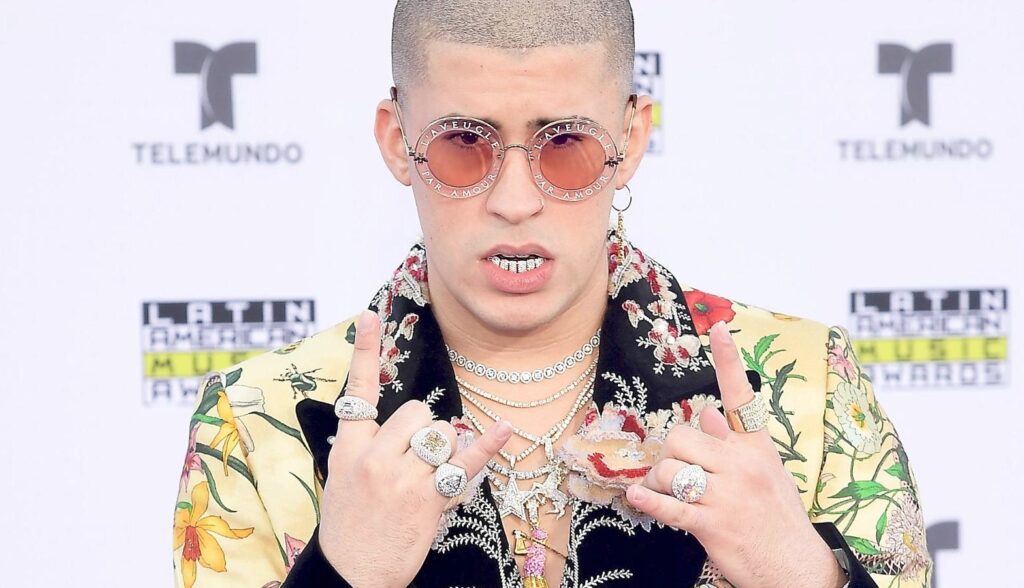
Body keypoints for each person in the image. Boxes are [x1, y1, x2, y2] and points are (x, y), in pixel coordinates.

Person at [172, 1, 931, 586]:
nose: (514, 200)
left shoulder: (804, 387)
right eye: (462, 143)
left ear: (629, 140)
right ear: (396, 140)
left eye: (563, 144)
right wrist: (344, 573)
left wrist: (806, 574)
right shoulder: (260, 419)